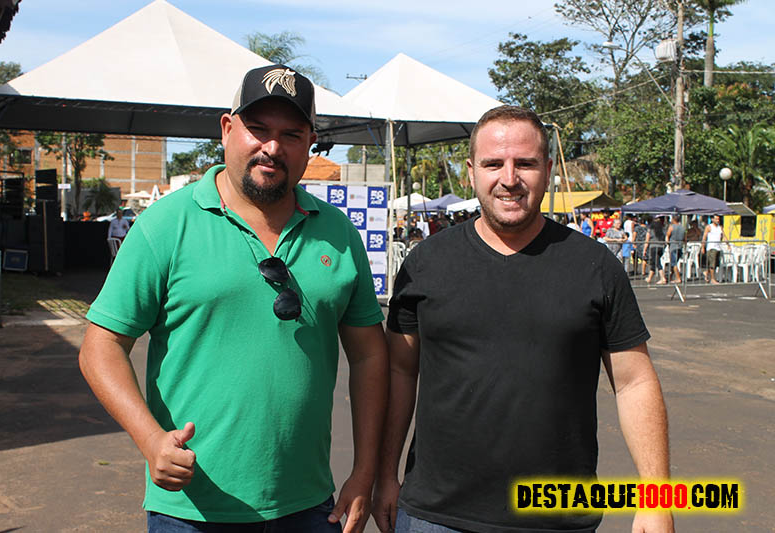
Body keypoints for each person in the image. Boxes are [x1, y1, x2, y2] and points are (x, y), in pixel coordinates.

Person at [79, 64, 388, 533]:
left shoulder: (339, 234)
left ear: (310, 143)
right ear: (227, 129)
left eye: (291, 134)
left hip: (310, 507)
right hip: (192, 511)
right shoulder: (166, 225)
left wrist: (364, 470)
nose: (273, 147)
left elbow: (369, 356)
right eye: (258, 129)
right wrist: (150, 439)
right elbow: (101, 345)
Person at [373, 105, 672, 533]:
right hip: (434, 516)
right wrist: (385, 474)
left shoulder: (595, 267)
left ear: (548, 170)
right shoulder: (425, 264)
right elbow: (400, 372)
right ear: (471, 172)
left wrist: (657, 497)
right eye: (493, 163)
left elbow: (634, 382)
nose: (509, 178)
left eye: (525, 164)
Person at [701, 214, 728, 284]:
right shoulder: (709, 227)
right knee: (712, 264)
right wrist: (703, 247)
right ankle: (713, 279)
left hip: (718, 247)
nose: (717, 220)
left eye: (718, 219)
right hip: (711, 247)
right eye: (716, 219)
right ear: (712, 219)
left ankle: (706, 272)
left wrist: (728, 244)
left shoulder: (720, 227)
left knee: (715, 264)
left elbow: (724, 236)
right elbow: (704, 237)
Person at [644, 215, 667, 284]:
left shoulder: (650, 230)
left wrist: (644, 250)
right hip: (661, 247)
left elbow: (647, 240)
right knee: (654, 263)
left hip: (653, 247)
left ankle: (663, 278)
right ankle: (649, 278)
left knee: (657, 263)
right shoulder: (662, 230)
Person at [665, 216, 686, 284]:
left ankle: (678, 278)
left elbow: (667, 236)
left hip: (673, 246)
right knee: (674, 263)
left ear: (673, 220)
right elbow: (685, 238)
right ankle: (670, 276)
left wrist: (667, 243)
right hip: (680, 246)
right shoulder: (683, 228)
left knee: (674, 263)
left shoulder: (671, 227)